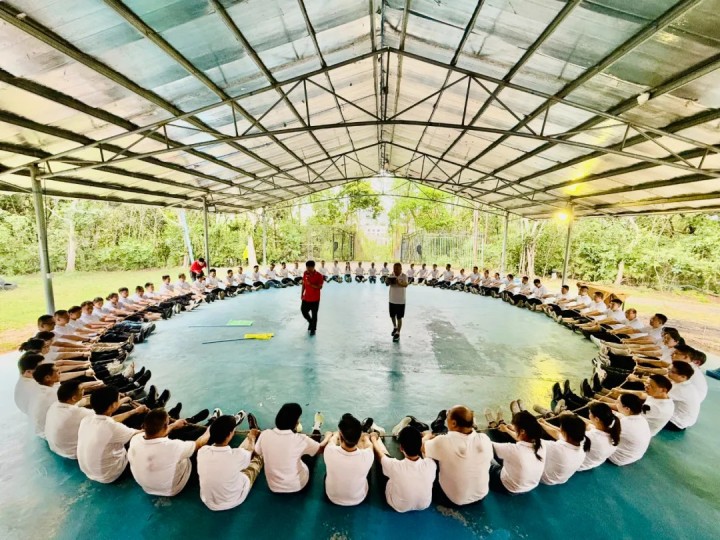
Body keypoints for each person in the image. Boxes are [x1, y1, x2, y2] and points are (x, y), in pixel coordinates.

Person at [127, 409, 211, 497]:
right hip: (172, 489)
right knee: (201, 448)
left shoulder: (136, 439)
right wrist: (210, 429)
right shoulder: (172, 447)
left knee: (175, 436)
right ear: (165, 426)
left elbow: (158, 433)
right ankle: (208, 425)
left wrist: (174, 425)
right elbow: (199, 443)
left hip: (148, 488)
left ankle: (192, 422)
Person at [77, 386, 148, 483]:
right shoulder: (112, 428)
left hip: (90, 472)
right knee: (142, 437)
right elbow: (143, 433)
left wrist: (134, 411)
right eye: (119, 399)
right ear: (114, 405)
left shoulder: (86, 420)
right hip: (110, 475)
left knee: (126, 425)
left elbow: (111, 420)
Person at [423, 405, 492, 505]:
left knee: (430, 455)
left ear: (454, 423)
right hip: (481, 496)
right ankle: (438, 425)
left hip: (451, 500)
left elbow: (422, 447)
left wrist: (426, 436)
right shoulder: (484, 438)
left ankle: (438, 425)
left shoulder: (443, 441)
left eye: (448, 416)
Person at [255, 403, 330, 493]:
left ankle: (312, 428)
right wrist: (328, 436)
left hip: (273, 486)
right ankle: (317, 427)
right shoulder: (300, 439)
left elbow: (257, 451)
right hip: (297, 485)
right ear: (296, 423)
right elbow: (321, 449)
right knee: (309, 455)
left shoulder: (265, 434)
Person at [198, 416, 264, 511]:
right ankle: (257, 434)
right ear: (230, 434)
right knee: (256, 458)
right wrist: (252, 436)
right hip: (232, 499)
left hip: (208, 501)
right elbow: (250, 451)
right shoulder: (236, 455)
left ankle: (252, 433)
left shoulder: (202, 451)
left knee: (239, 456)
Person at [370, 426, 436, 512]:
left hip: (399, 506)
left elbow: (380, 455)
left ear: (401, 448)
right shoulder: (431, 464)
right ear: (420, 446)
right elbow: (425, 451)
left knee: (382, 463)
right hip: (424, 505)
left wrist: (373, 438)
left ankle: (379, 440)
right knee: (388, 465)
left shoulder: (394, 466)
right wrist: (427, 436)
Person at [489, 411, 546, 495]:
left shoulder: (513, 450)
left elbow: (486, 443)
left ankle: (491, 425)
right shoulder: (541, 444)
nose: (514, 428)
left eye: (515, 427)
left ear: (522, 431)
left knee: (489, 461)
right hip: (529, 486)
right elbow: (523, 439)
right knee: (508, 458)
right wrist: (507, 430)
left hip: (508, 488)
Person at [323, 414, 374, 506]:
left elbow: (332, 441)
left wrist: (334, 435)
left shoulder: (329, 450)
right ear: (359, 436)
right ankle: (364, 430)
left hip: (332, 497)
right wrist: (366, 437)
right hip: (358, 498)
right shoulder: (368, 455)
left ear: (340, 435)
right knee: (366, 465)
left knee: (331, 468)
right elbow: (369, 446)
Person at [45, 380, 95, 459]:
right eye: (82, 390)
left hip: (55, 446)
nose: (84, 391)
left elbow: (79, 402)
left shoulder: (55, 405)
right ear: (74, 398)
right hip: (71, 452)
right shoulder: (77, 413)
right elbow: (102, 411)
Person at [537, 414, 588, 485]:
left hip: (546, 479)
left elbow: (530, 440)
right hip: (562, 479)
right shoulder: (582, 442)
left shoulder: (556, 447)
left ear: (564, 431)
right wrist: (543, 423)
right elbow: (557, 433)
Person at [607, 394, 651, 466]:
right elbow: (621, 416)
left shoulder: (624, 423)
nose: (615, 403)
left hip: (618, 457)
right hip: (634, 455)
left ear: (627, 409)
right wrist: (613, 412)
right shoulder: (641, 419)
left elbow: (601, 430)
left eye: (618, 402)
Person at [577, 402, 620, 471]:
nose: (589, 415)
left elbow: (564, 437)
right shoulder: (613, 433)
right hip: (593, 463)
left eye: (590, 413)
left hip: (579, 465)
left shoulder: (590, 436)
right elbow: (589, 425)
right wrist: (574, 416)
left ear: (597, 419)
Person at [29, 363, 61, 439]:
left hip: (42, 429)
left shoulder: (41, 387)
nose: (60, 372)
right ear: (47, 377)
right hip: (50, 433)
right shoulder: (49, 394)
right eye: (57, 371)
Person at [386, 263, 408, 342]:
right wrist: (387, 281)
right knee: (392, 316)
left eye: (397, 269)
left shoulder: (404, 276)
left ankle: (398, 333)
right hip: (392, 300)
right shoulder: (391, 275)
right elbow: (386, 284)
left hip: (400, 301)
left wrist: (399, 283)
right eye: (394, 268)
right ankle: (395, 327)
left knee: (399, 317)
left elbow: (406, 284)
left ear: (401, 269)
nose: (395, 270)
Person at [301, 260, 324, 336]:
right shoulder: (305, 273)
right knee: (303, 311)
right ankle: (311, 322)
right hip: (306, 297)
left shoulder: (319, 276)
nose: (308, 270)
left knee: (314, 314)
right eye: (307, 268)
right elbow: (303, 284)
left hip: (315, 299)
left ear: (313, 267)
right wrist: (302, 293)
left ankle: (313, 329)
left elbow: (320, 287)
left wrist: (310, 284)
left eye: (309, 268)